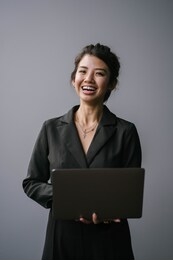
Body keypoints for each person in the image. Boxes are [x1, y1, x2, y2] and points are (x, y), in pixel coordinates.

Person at [23, 43, 142, 260]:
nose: (89, 79)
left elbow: (130, 193)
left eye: (99, 73)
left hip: (110, 241)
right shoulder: (51, 128)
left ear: (111, 84)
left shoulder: (126, 131)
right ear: (73, 79)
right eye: (83, 71)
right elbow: (31, 183)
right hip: (62, 239)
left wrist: (106, 211)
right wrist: (70, 197)